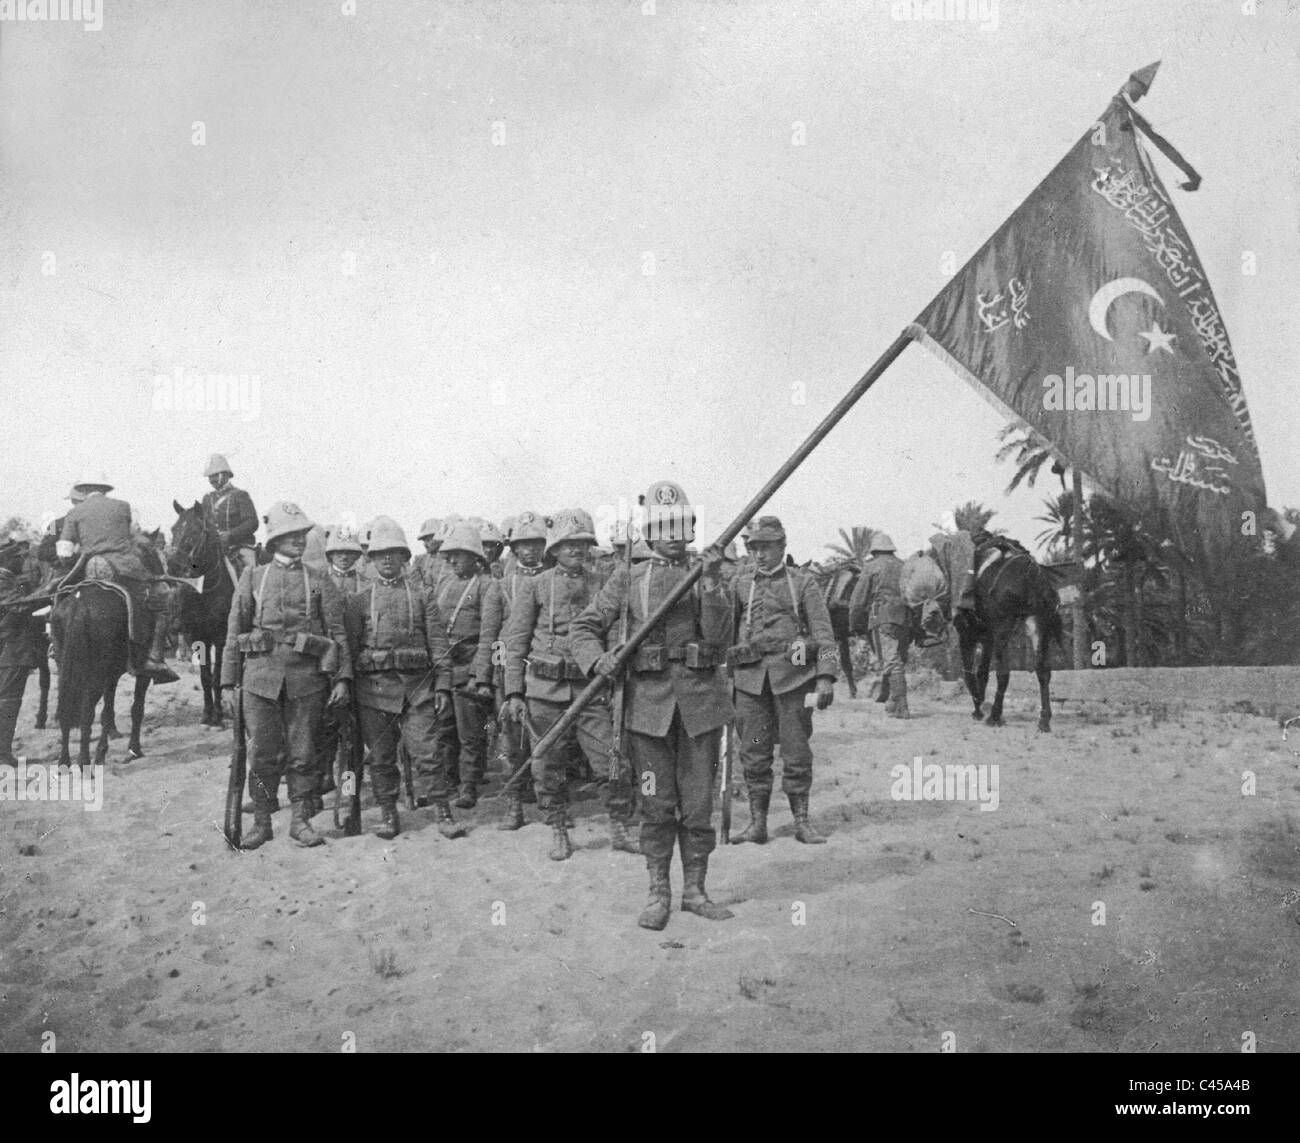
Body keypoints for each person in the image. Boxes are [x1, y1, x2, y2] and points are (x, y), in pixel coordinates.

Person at [571, 480, 734, 930]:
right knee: (655, 803)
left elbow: (721, 638)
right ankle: (658, 892)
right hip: (647, 712)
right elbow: (584, 627)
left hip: (700, 708)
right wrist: (597, 660)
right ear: (649, 532)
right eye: (664, 526)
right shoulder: (629, 577)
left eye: (680, 525)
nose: (673, 535)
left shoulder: (706, 574)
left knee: (697, 805)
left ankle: (695, 891)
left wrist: (713, 582)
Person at [501, 508, 638, 859]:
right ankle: (558, 828)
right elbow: (516, 642)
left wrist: (610, 663)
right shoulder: (535, 585)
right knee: (547, 765)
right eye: (567, 544)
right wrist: (514, 692)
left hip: (590, 689)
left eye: (582, 543)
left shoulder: (601, 583)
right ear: (554, 549)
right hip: (545, 690)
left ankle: (620, 826)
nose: (576, 550)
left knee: (610, 758)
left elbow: (613, 631)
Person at [220, 501, 351, 849]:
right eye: (290, 535)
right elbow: (234, 632)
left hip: (305, 679)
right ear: (275, 541)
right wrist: (227, 683)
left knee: (303, 753)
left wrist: (342, 678)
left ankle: (300, 821)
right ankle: (262, 822)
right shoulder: (253, 577)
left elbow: (337, 633)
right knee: (262, 754)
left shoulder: (319, 580)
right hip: (259, 679)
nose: (298, 540)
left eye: (301, 535)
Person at [727, 516, 838, 845]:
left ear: (782, 546)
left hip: (794, 679)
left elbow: (825, 636)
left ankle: (802, 822)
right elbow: (723, 633)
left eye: (767, 547)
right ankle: (757, 824)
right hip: (749, 681)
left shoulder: (803, 583)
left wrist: (825, 677)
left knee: (797, 752)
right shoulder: (739, 583)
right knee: (753, 753)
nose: (760, 555)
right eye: (754, 548)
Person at [342, 518, 453, 840]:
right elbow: (349, 648)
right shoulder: (359, 601)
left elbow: (438, 644)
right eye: (380, 554)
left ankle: (443, 811)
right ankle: (388, 813)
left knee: (428, 752)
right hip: (373, 692)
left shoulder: (422, 596)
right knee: (381, 757)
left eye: (393, 553)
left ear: (404, 557)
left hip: (417, 689)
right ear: (372, 559)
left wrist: (443, 685)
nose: (387, 559)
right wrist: (346, 686)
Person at [57, 473, 178, 682]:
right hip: (123, 567)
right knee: (161, 600)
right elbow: (132, 537)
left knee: (59, 596)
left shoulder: (75, 512)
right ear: (105, 489)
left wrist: (74, 558)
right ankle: (155, 657)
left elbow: (64, 552)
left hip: (88, 567)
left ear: (84, 490)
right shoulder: (123, 506)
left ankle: (56, 646)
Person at [430, 521, 503, 810]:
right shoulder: (444, 583)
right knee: (443, 729)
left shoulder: (488, 586)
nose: (452, 560)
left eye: (458, 555)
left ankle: (469, 784)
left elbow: (488, 635)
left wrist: (479, 676)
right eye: (449, 555)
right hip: (443, 667)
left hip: (468, 667)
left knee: (469, 732)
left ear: (474, 557)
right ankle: (448, 781)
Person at [848, 533, 910, 718]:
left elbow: (857, 601)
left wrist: (854, 624)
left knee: (891, 661)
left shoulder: (872, 567)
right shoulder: (903, 565)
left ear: (874, 550)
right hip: (905, 619)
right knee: (898, 659)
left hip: (882, 616)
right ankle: (893, 702)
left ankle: (901, 705)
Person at [0, 536, 45, 765]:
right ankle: (3, 755)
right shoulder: (3, 580)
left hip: (10, 650)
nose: (23, 562)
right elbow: (20, 607)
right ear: (6, 560)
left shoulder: (10, 580)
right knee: (9, 701)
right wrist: (48, 591)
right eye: (18, 558)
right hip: (12, 651)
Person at [201, 454, 259, 578]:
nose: (212, 479)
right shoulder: (207, 498)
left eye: (215, 475)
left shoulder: (240, 495)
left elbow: (252, 522)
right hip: (214, 549)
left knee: (250, 572)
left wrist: (230, 535)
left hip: (239, 547)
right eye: (210, 477)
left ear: (226, 474)